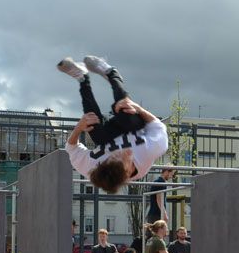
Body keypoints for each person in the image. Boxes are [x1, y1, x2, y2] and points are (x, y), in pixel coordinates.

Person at [59, 55, 169, 194]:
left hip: (108, 132)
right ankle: (111, 72)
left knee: (96, 133)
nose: (126, 151)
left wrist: (79, 127)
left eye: (115, 155)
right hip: (132, 125)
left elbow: (71, 149)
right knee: (126, 111)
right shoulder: (151, 150)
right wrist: (137, 108)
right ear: (128, 172)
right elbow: (157, 126)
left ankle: (82, 77)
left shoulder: (92, 168)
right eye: (125, 158)